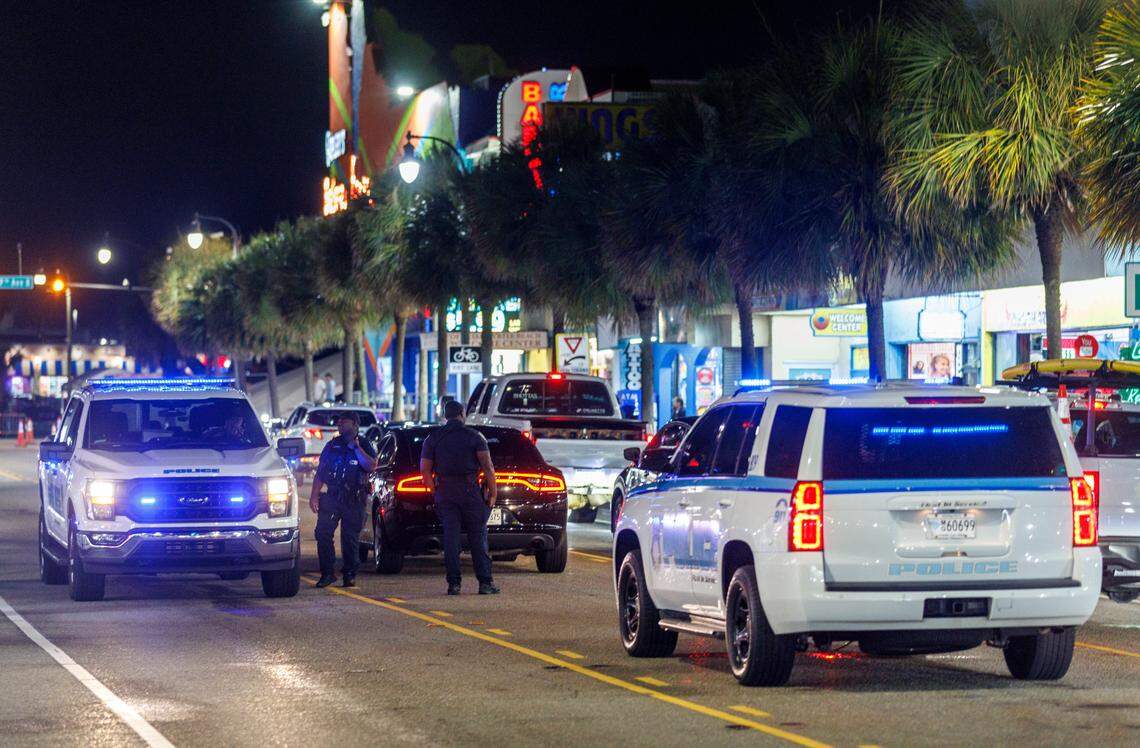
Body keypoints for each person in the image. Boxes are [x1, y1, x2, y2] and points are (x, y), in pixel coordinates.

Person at [420, 399, 499, 595]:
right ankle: (485, 583)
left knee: (451, 539)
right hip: (469, 490)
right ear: (462, 414)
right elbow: (488, 467)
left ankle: (454, 584)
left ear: (445, 415)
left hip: (445, 491)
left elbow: (425, 471)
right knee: (478, 537)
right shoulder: (474, 437)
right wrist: (493, 493)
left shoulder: (433, 438)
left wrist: (435, 491)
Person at [309, 412, 376, 588]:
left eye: (344, 423)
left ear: (354, 424)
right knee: (323, 533)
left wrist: (356, 448)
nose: (340, 426)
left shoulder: (364, 444)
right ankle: (327, 573)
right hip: (332, 496)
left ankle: (349, 574)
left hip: (355, 498)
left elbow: (371, 465)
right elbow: (321, 472)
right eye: (338, 424)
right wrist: (314, 495)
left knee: (350, 538)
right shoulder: (332, 446)